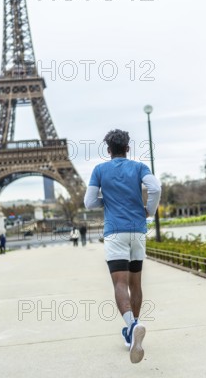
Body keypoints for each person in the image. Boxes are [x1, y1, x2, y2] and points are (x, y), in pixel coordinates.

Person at [84, 129, 161, 364]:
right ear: (127, 148)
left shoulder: (99, 170)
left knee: (120, 283)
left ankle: (132, 325)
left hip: (115, 232)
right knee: (136, 283)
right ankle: (132, 332)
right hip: (137, 230)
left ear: (109, 150)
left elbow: (88, 203)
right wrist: (149, 210)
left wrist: (105, 199)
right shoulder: (139, 167)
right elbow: (155, 188)